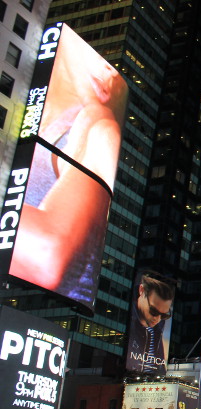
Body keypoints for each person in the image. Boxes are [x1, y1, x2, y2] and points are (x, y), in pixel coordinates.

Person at [10, 24, 128, 306]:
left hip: (34, 307)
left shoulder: (98, 124)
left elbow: (48, 256)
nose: (111, 72)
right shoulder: (30, 105)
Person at [126, 273, 175, 373]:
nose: (157, 319)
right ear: (142, 291)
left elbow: (160, 366)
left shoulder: (158, 326)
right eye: (153, 312)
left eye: (164, 315)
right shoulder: (128, 319)